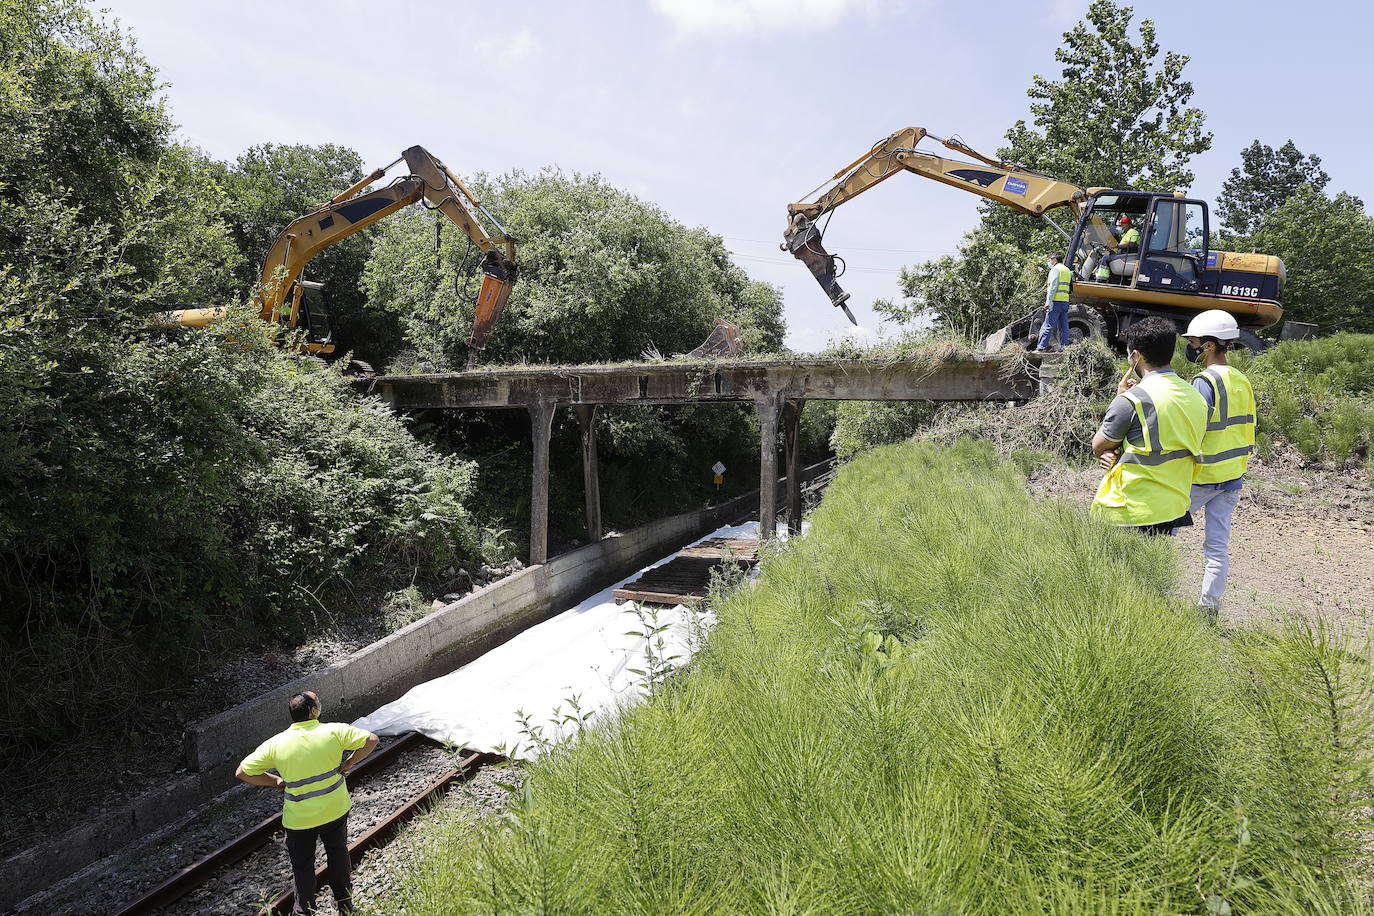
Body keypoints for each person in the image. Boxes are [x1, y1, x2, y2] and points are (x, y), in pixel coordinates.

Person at [237, 691, 378, 914]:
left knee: (302, 867)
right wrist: (349, 762)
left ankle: (305, 911)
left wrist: (274, 780)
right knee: (338, 854)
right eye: (318, 703)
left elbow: (243, 772)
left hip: (299, 820)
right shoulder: (333, 731)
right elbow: (371, 740)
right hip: (335, 810)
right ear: (313, 711)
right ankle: (345, 905)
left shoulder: (277, 743)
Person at [1090, 317, 1207, 535]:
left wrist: (1119, 397)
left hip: (1129, 510)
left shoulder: (1132, 400)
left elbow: (1098, 446)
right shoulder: (1195, 396)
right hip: (1173, 506)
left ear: (1135, 356)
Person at [1183, 310, 1256, 619]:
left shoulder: (1205, 381)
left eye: (1195, 341)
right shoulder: (1242, 380)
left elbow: (1191, 428)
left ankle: (1154, 597)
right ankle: (1209, 609)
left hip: (1203, 477)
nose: (1191, 346)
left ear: (1210, 345)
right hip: (1232, 477)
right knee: (1217, 547)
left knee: (1161, 531)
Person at [1035, 252, 1073, 353]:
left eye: (1050, 259)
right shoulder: (1067, 270)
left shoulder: (1055, 270)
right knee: (1064, 326)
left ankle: (1041, 347)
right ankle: (1065, 347)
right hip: (1065, 301)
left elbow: (1053, 287)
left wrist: (1048, 302)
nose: (1049, 262)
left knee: (1048, 324)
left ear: (1055, 260)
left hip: (1055, 301)